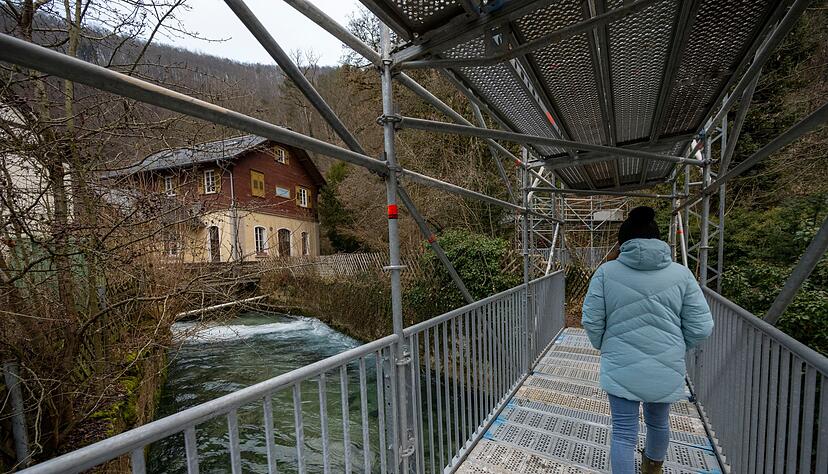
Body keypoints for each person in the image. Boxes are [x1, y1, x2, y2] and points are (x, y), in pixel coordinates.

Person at [581, 206, 714, 474]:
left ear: (622, 243)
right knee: (659, 422)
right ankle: (652, 468)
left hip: (621, 365)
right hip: (665, 364)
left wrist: (603, 346)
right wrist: (676, 346)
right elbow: (701, 327)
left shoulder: (606, 273)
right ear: (659, 242)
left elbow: (592, 321)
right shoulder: (681, 275)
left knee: (622, 433)